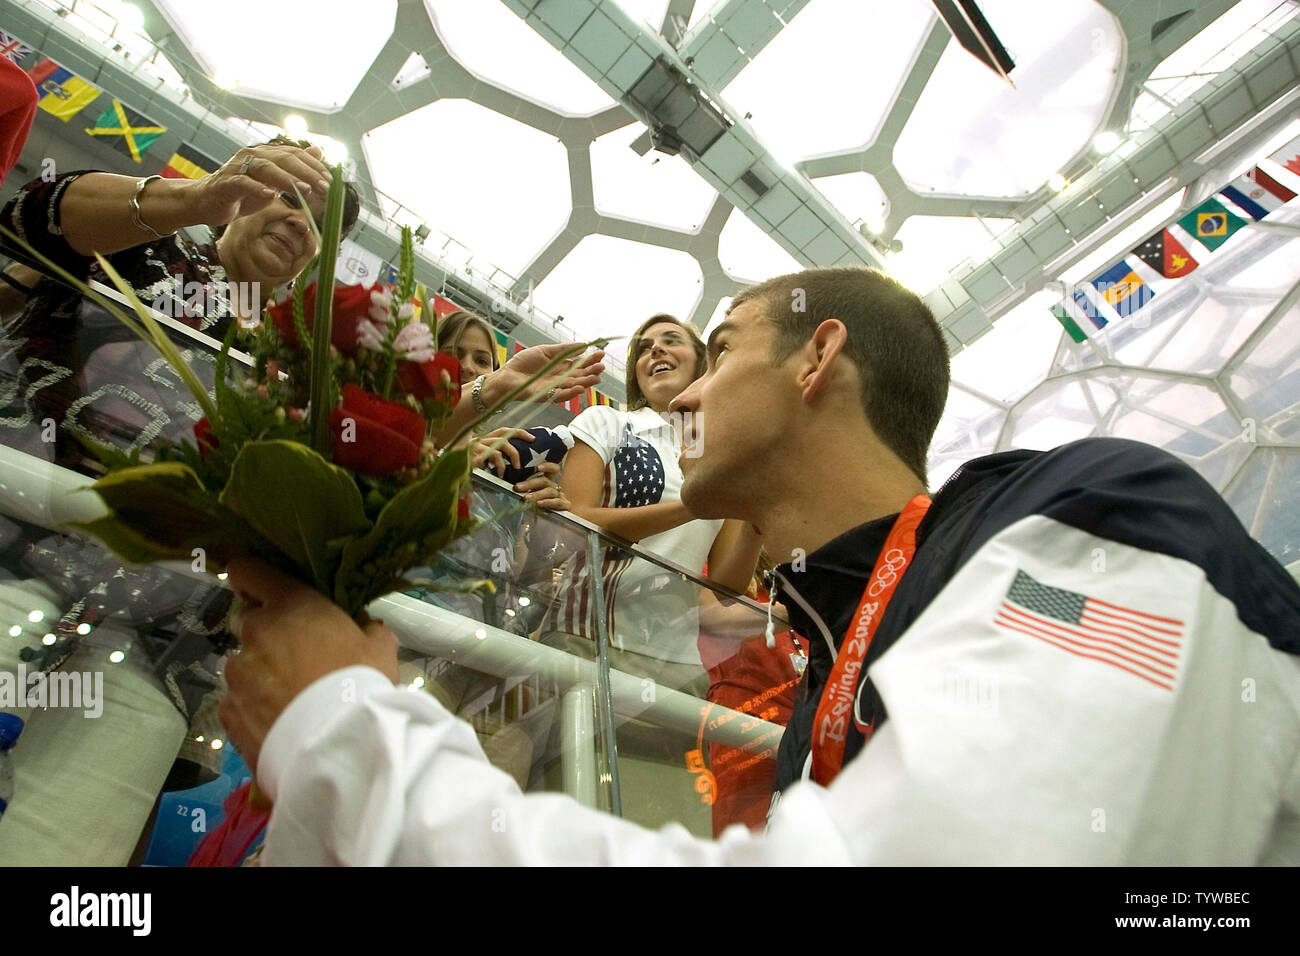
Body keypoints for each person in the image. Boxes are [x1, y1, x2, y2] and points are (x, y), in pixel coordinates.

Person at [219, 266, 1300, 864]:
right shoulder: (826, 688)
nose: (679, 397)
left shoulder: (1084, 519)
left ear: (816, 357)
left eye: (720, 349)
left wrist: (350, 734)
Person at [0, 135, 358, 469]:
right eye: (291, 199)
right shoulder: (147, 245)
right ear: (243, 191)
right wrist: (196, 199)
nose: (300, 224)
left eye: (322, 227)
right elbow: (30, 215)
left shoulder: (297, 357)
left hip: (128, 531)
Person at [550, 313, 760, 681]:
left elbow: (726, 583)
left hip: (679, 664)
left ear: (702, 363)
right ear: (637, 373)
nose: (656, 349)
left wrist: (758, 517)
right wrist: (692, 506)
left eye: (670, 340)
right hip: (586, 635)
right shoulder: (606, 422)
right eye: (644, 349)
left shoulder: (726, 456)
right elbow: (574, 523)